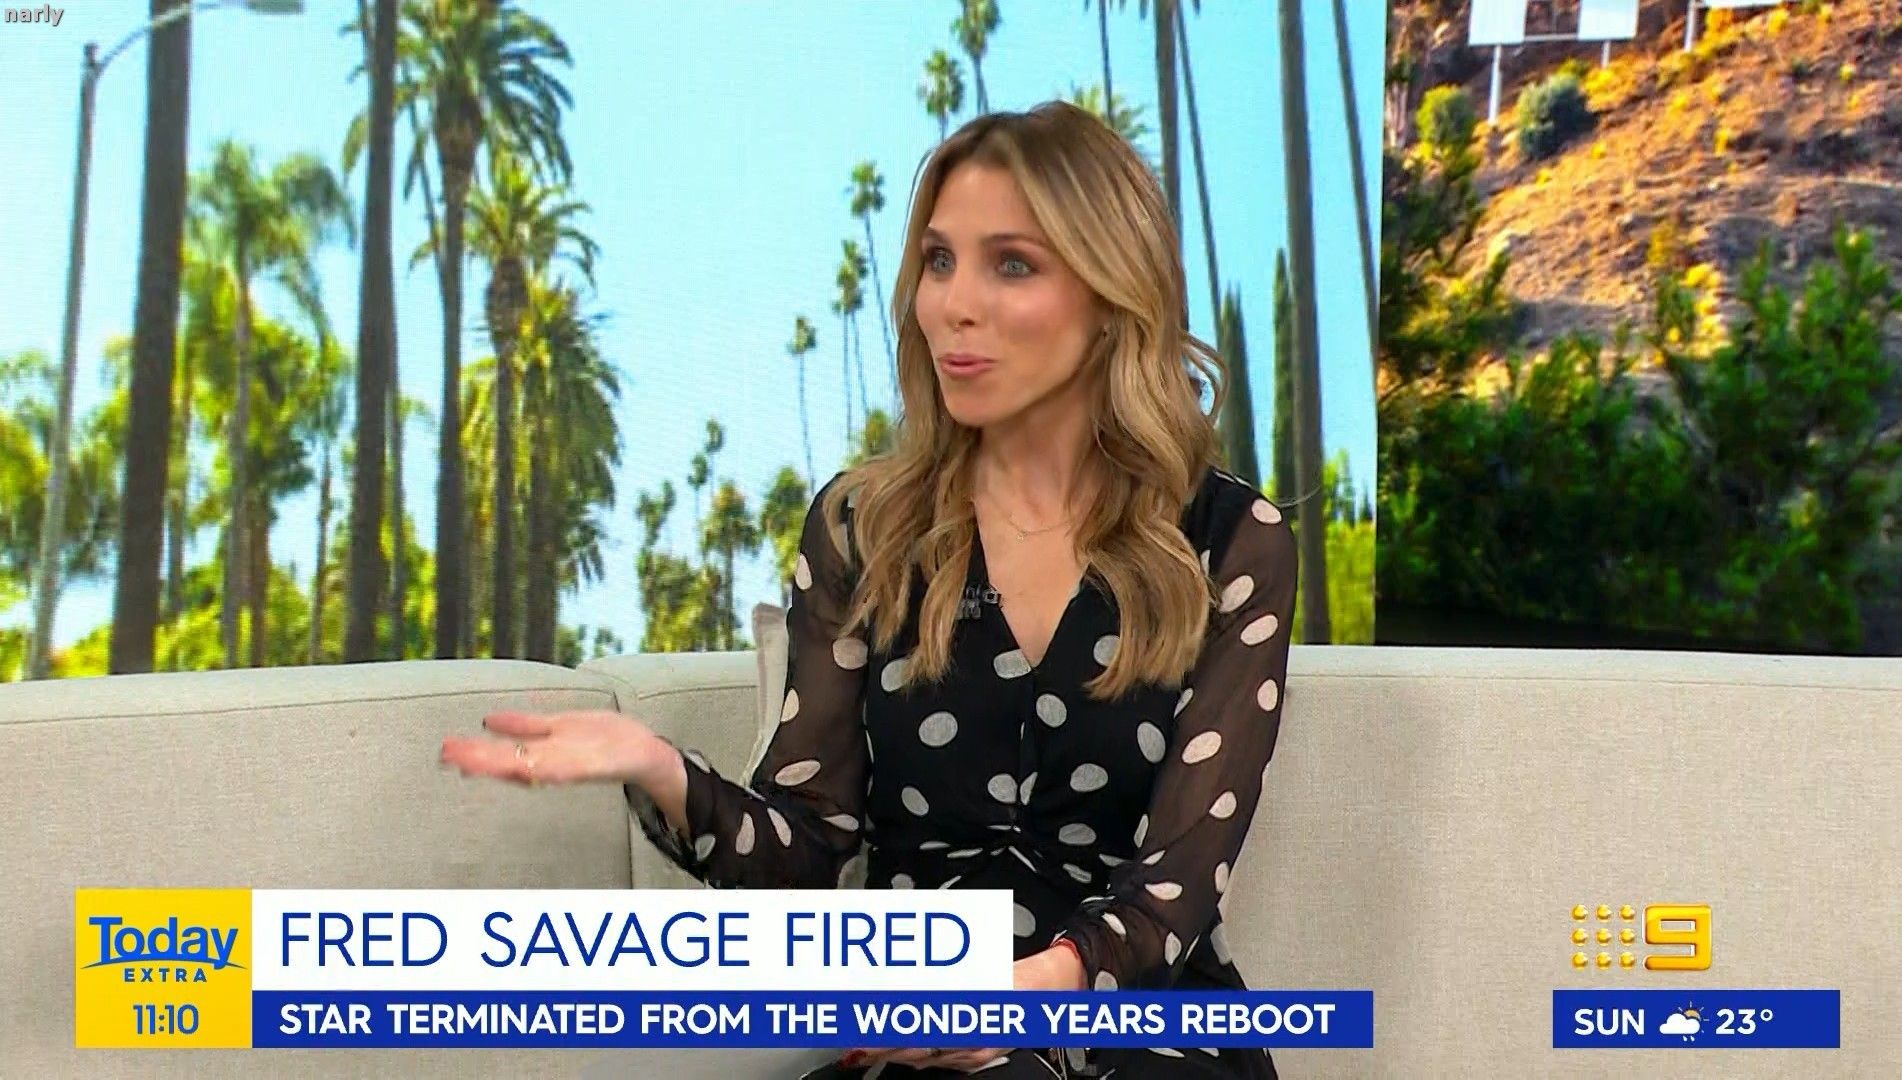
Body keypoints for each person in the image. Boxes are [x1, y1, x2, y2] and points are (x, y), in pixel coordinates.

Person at [442, 100, 1298, 1078]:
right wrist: (661, 770)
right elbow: (806, 851)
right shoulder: (864, 528)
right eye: (938, 261)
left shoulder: (1231, 539)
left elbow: (1176, 884)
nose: (952, 305)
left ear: (1110, 296)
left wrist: (1028, 993)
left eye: (1011, 265)